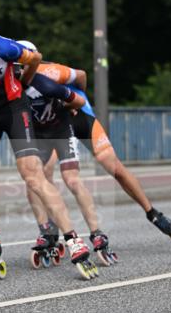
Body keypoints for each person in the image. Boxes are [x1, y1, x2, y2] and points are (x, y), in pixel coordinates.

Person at [0, 0, 97, 279]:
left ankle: (73, 239)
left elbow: (34, 57)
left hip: (14, 110)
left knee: (33, 176)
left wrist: (24, 81)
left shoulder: (1, 47)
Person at [31, 54, 171, 248]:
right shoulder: (9, 79)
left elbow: (81, 75)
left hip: (80, 116)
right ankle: (50, 228)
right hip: (57, 124)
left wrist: (80, 97)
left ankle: (152, 212)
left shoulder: (49, 70)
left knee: (114, 168)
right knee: (43, 172)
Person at [15, 50, 118, 265]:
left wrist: (66, 107)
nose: (15, 72)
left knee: (72, 179)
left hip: (62, 132)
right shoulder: (10, 90)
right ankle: (47, 231)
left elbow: (79, 101)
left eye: (18, 68)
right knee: (33, 180)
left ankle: (97, 233)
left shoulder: (46, 83)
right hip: (39, 137)